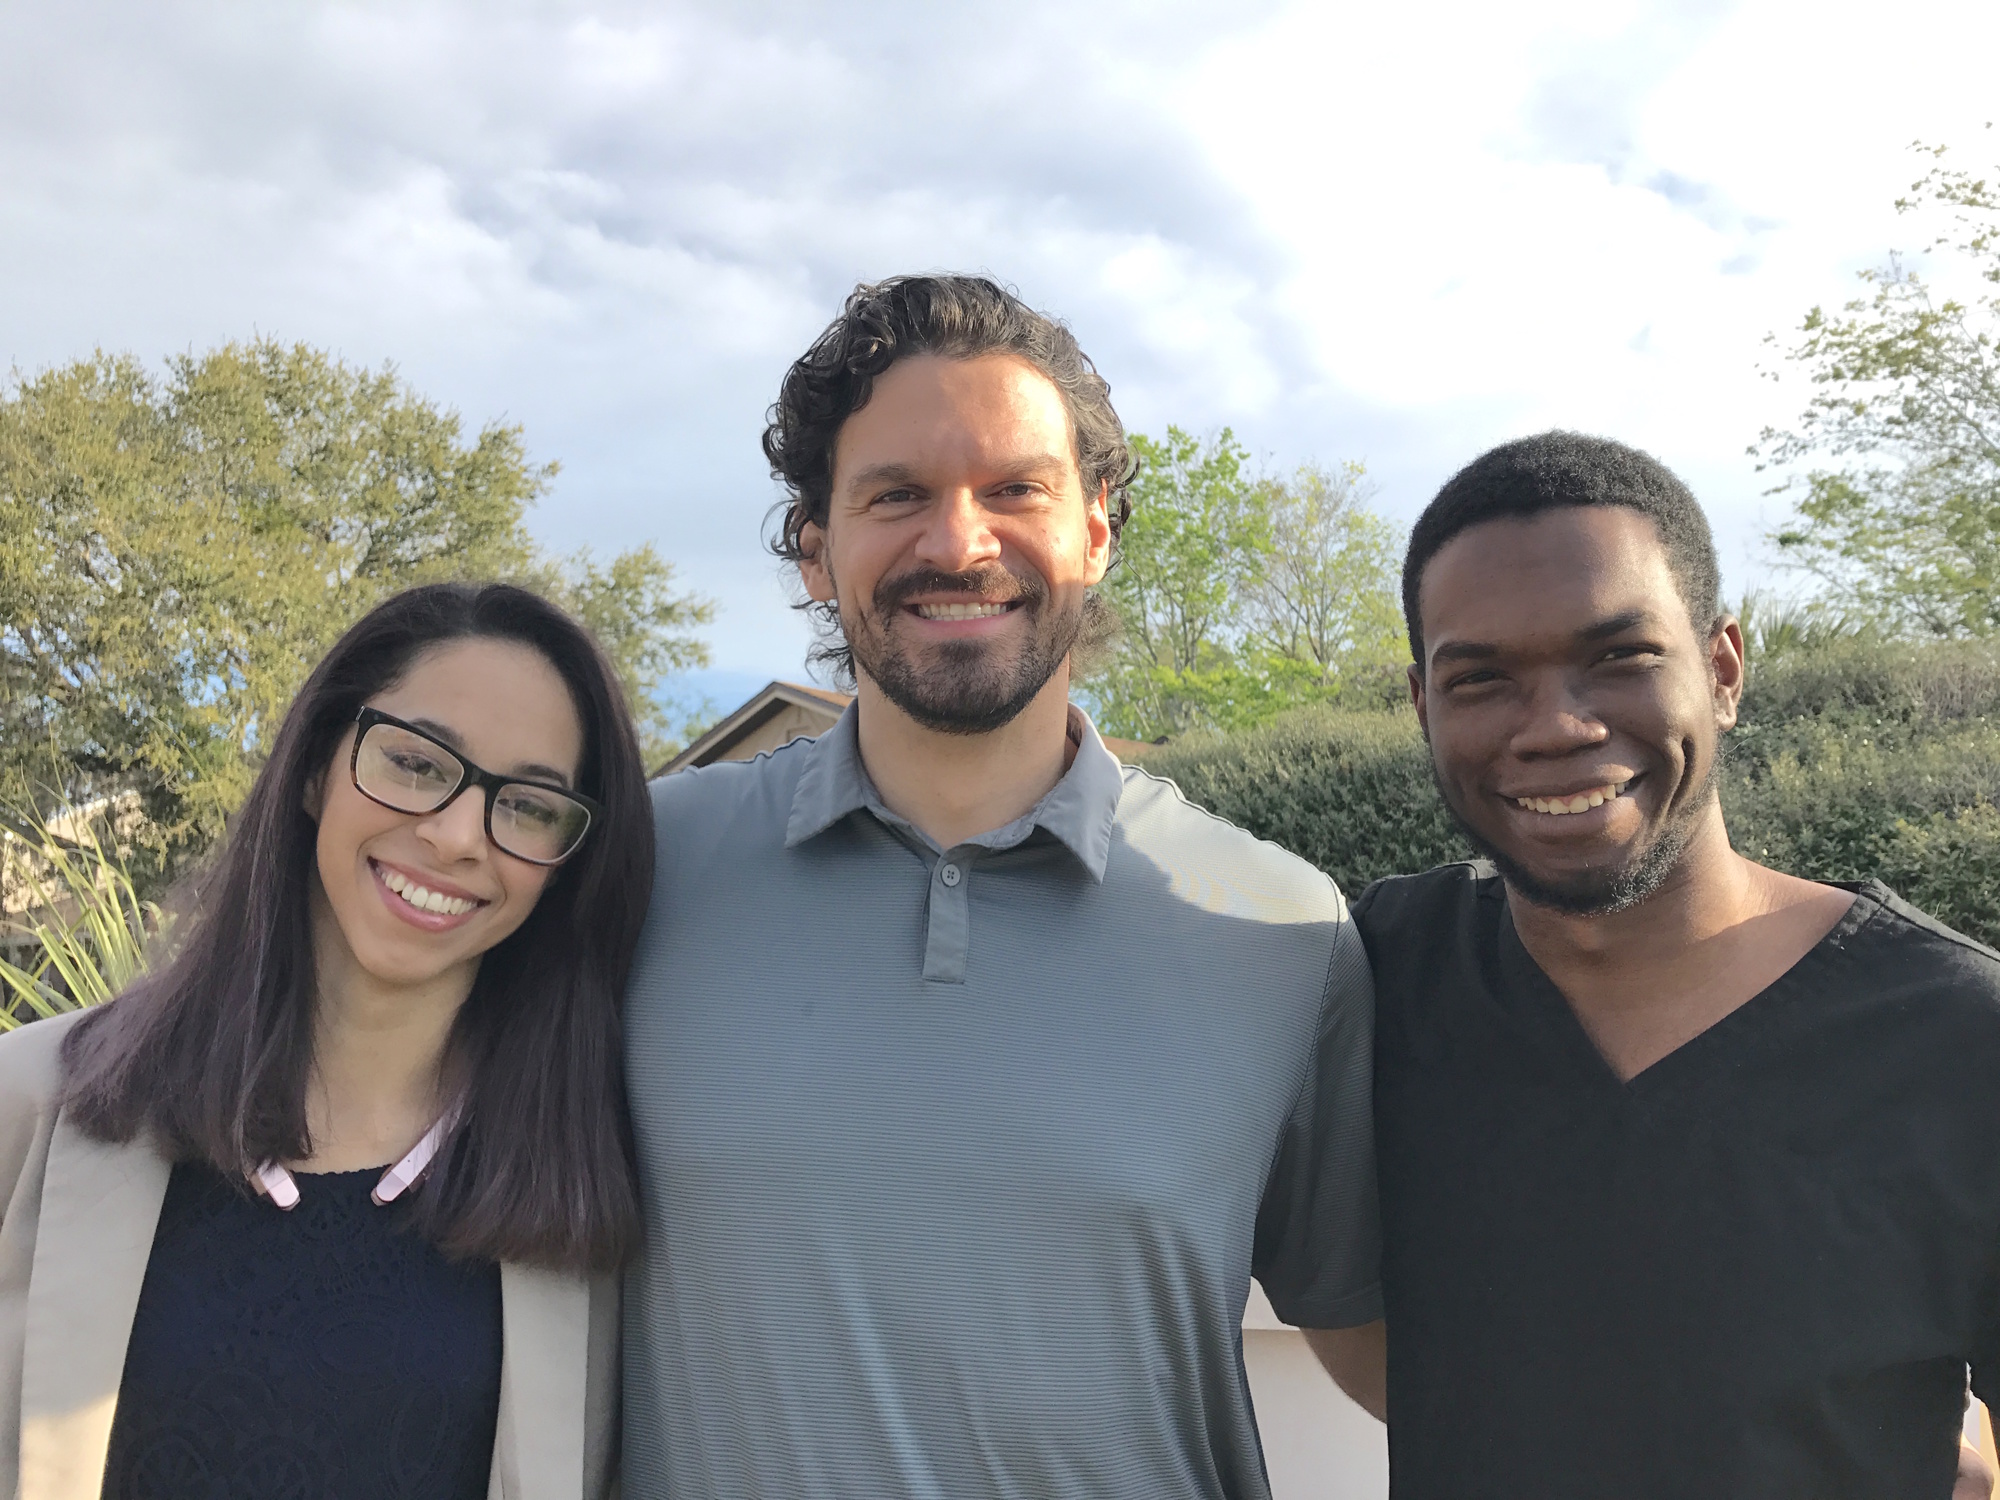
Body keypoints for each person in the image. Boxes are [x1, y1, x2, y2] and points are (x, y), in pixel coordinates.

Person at [620, 275, 1384, 1498]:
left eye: (1014, 488)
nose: (958, 543)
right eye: (894, 496)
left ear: (1095, 530)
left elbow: (1390, 1350)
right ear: (816, 551)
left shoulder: (1285, 929)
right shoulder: (638, 874)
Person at [1356, 431, 2000, 1498]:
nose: (1556, 725)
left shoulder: (1955, 1039)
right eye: (1480, 679)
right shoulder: (1377, 981)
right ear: (1424, 707)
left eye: (1619, 656)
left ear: (1721, 668)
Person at [0, 582, 651, 1500]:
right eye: (417, 763)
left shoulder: (581, 1188)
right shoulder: (33, 1104)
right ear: (315, 767)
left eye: (531, 807)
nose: (460, 835)